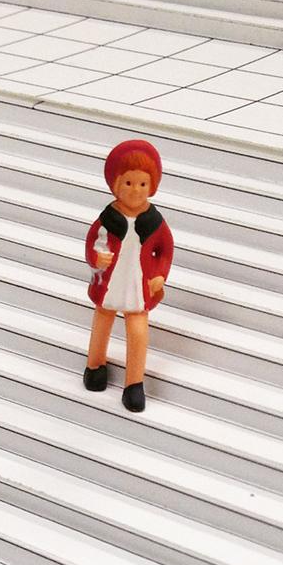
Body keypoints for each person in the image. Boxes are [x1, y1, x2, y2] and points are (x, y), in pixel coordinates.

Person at [82, 139, 174, 413]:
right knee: (103, 319)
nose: (135, 191)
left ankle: (134, 383)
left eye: (142, 184)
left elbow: (165, 251)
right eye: (129, 183)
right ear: (115, 185)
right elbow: (90, 243)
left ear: (152, 186)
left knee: (137, 329)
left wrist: (160, 275)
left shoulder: (155, 223)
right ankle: (95, 365)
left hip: (139, 283)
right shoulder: (107, 219)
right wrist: (95, 258)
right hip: (110, 280)